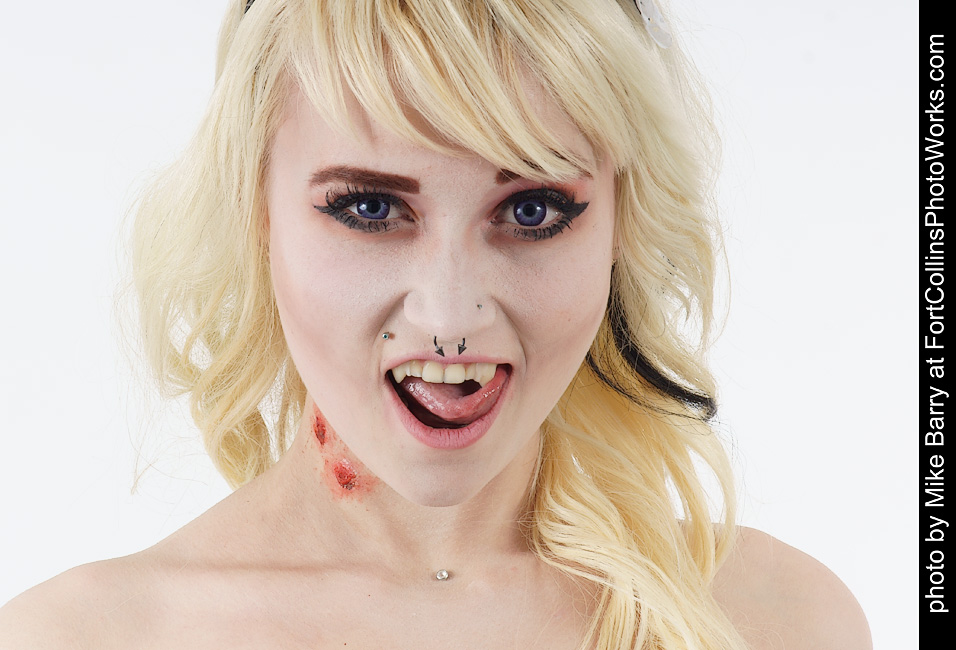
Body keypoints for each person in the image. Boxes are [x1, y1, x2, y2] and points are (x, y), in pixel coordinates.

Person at [0, 1, 872, 648]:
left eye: (532, 210)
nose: (451, 317)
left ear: (622, 225)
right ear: (255, 211)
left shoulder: (780, 622)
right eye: (371, 208)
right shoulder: (77, 638)